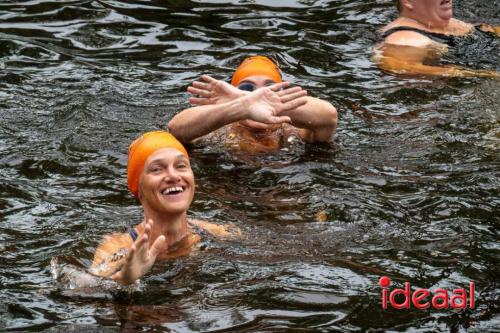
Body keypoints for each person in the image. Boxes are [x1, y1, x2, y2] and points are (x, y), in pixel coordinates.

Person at [89, 131, 236, 285]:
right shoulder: (118, 248)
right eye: (157, 169)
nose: (173, 176)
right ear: (138, 188)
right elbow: (84, 291)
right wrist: (124, 280)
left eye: (181, 166)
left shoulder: (217, 233)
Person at [167, 56, 338, 153]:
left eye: (269, 88)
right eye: (247, 88)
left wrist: (249, 99)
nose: (257, 95)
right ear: (232, 96)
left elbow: (328, 116)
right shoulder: (219, 129)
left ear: (282, 94)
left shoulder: (291, 131)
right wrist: (242, 106)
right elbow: (176, 129)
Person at [375, 0, 500, 77]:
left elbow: (488, 31)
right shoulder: (405, 38)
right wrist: (484, 74)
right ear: (408, 1)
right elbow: (397, 66)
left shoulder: (446, 24)